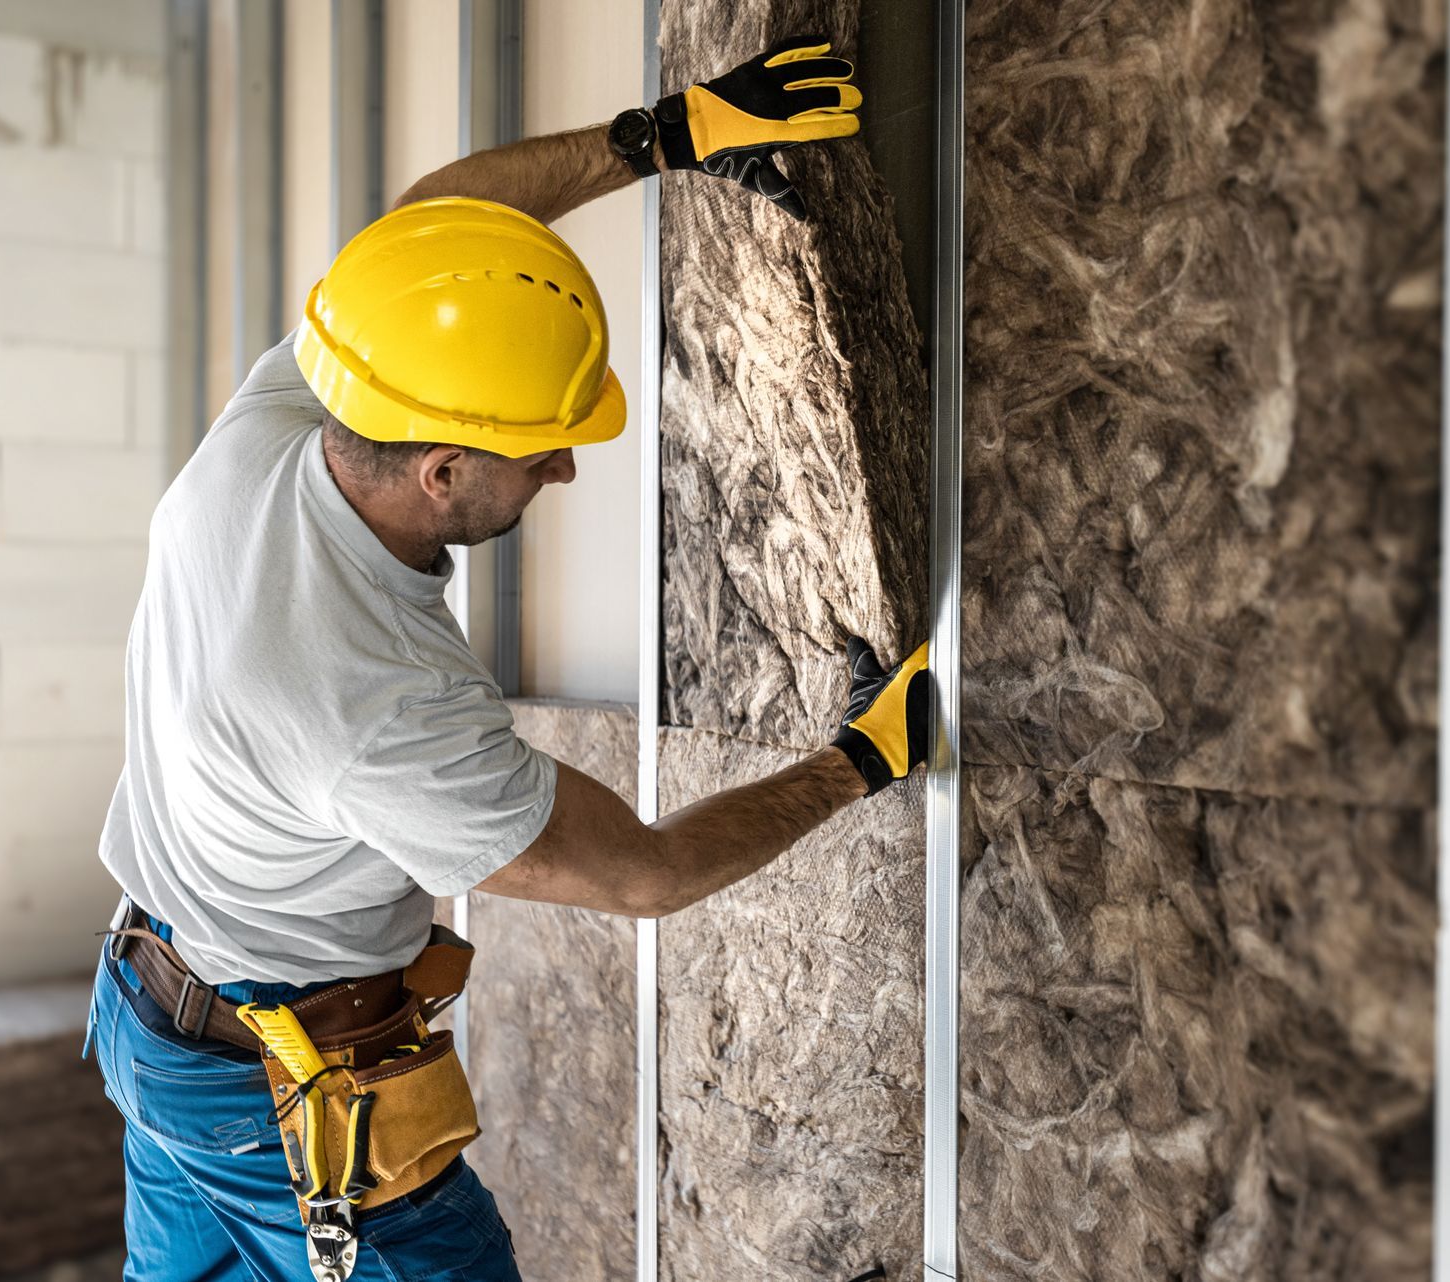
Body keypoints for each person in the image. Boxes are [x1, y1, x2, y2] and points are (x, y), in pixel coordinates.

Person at [84, 34, 929, 1282]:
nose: (568, 465)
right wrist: (856, 763)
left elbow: (436, 229)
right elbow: (641, 872)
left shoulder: (294, 413)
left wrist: (674, 132)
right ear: (442, 472)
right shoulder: (375, 704)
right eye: (540, 447)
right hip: (280, 1094)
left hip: (152, 1015)